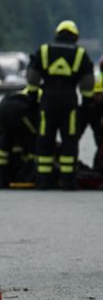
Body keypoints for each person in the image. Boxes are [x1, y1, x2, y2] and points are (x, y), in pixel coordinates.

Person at [26, 20, 94, 190]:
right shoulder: (80, 54)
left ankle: (43, 181)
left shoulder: (44, 51)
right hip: (69, 102)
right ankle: (68, 181)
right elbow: (87, 82)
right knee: (69, 141)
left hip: (47, 101)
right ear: (75, 37)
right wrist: (86, 103)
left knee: (45, 139)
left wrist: (33, 95)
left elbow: (33, 76)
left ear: (57, 34)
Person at [0, 87, 40, 188]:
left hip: (0, 110)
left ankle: (2, 180)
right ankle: (29, 173)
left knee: (6, 140)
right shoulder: (40, 92)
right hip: (19, 110)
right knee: (34, 137)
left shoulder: (21, 90)